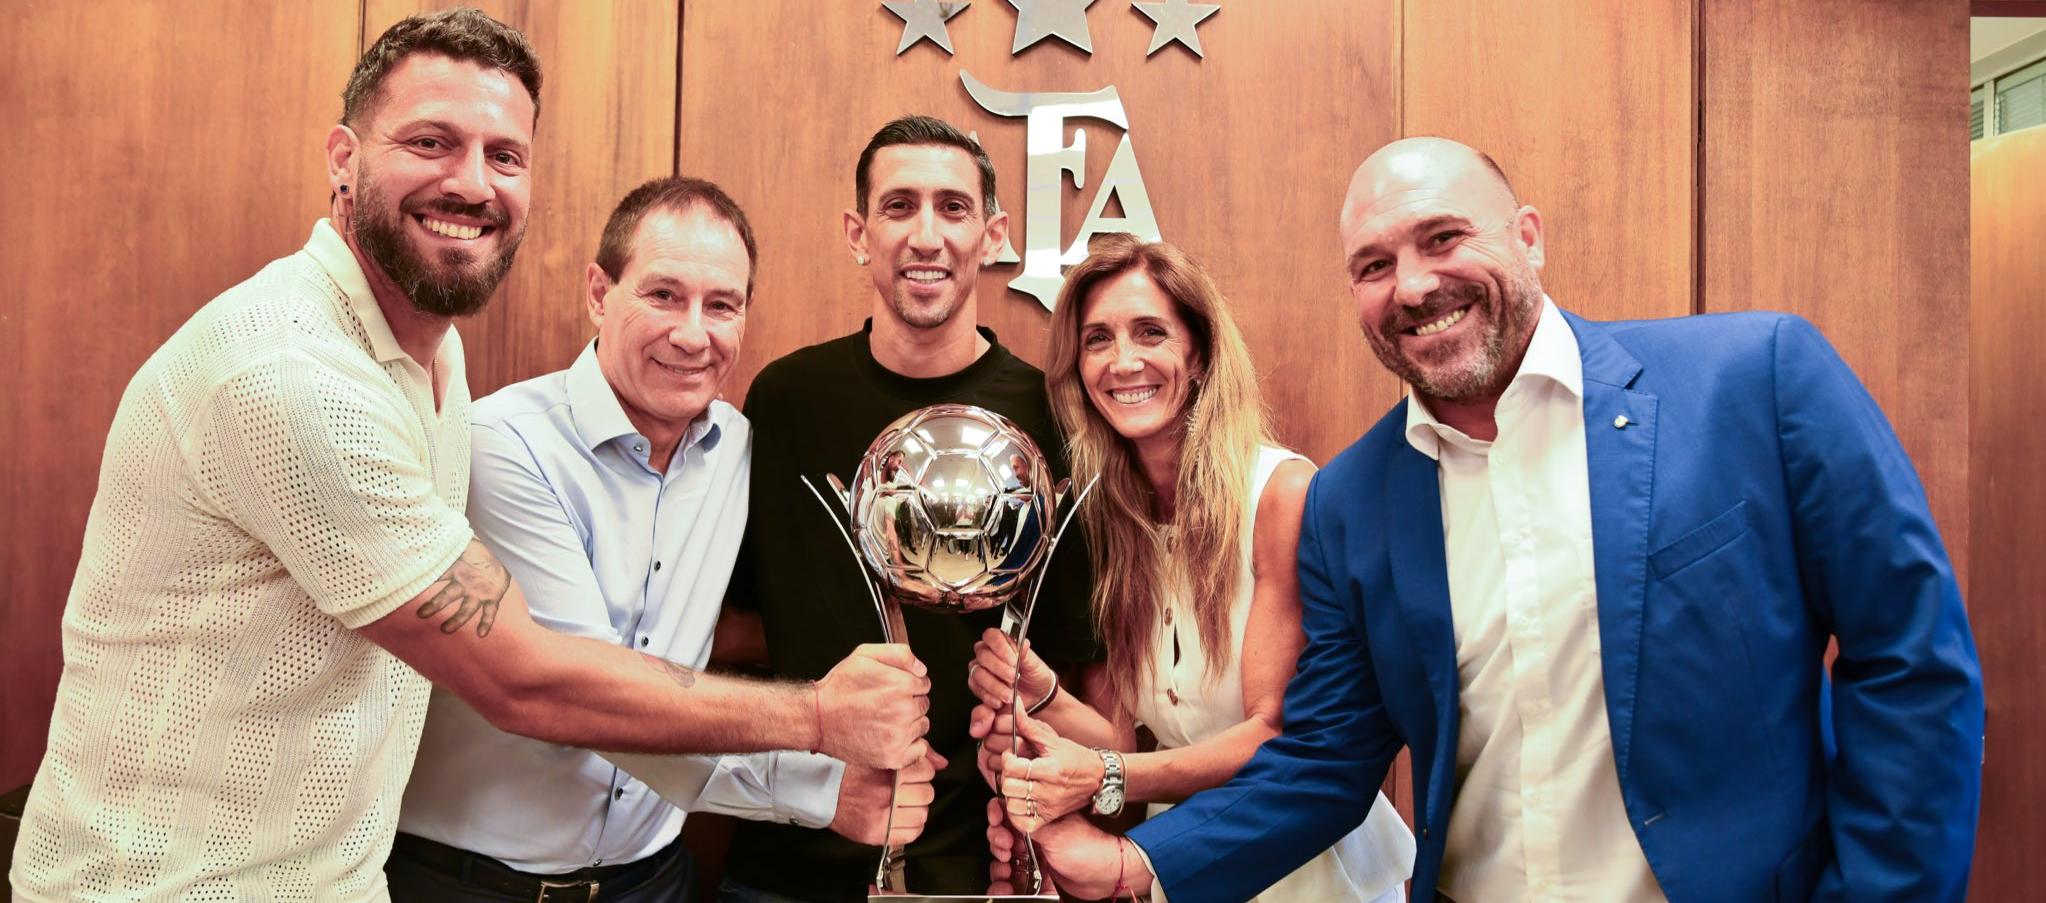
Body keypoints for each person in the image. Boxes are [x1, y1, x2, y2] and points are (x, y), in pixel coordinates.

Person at [10, 13, 928, 901]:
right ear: (343, 159)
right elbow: (522, 673)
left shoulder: (432, 352)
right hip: (169, 885)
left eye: (505, 155)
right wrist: (814, 721)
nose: (472, 184)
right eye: (430, 142)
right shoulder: (290, 375)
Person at [1024, 136, 1985, 903]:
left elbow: (1909, 658)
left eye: (1443, 238)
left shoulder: (1753, 378)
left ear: (1528, 235)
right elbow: (1323, 759)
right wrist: (1139, 865)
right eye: (1373, 263)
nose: (1412, 285)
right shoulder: (1357, 498)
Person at [388, 177, 939, 902]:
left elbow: (754, 621)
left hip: (656, 880)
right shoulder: (505, 446)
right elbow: (581, 699)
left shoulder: (743, 450)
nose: (692, 334)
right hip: (477, 885)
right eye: (663, 295)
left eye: (721, 305)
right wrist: (817, 783)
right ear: (598, 292)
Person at [715, 115, 1098, 902]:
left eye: (953, 208)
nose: (927, 236)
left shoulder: (1055, 413)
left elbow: (1085, 667)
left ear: (992, 234)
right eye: (899, 207)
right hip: (790, 865)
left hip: (982, 870)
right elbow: (738, 625)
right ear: (859, 234)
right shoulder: (785, 401)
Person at [964, 234, 1415, 902]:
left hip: (1303, 864)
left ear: (1199, 354)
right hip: (1175, 865)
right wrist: (1045, 695)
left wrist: (1105, 775)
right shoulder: (1107, 518)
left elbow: (1272, 731)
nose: (1123, 361)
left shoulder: (1280, 494)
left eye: (1151, 332)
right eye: (1097, 339)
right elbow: (1115, 731)